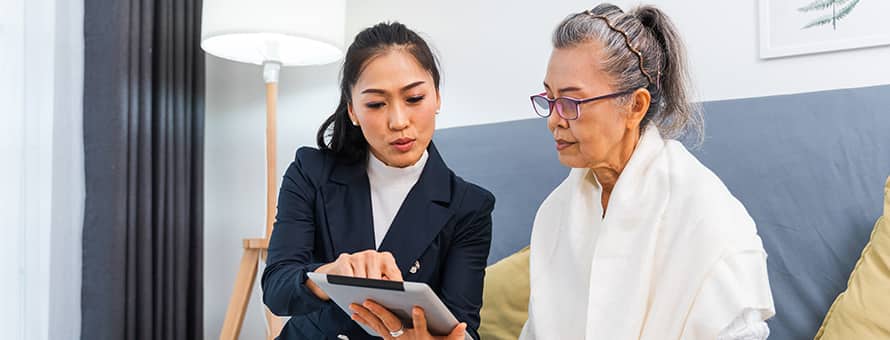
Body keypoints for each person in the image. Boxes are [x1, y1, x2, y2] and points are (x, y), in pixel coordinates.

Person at [521, 4, 775, 339]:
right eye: (550, 100)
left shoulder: (709, 216)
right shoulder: (554, 215)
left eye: (571, 103)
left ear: (635, 106)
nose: (554, 119)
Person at [262, 22, 495, 340]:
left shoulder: (469, 206)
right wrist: (329, 275)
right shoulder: (311, 171)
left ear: (437, 98)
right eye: (375, 104)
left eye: (414, 98)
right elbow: (276, 289)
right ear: (353, 110)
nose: (399, 122)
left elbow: (463, 327)